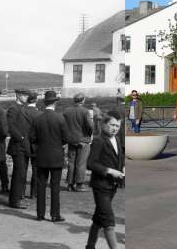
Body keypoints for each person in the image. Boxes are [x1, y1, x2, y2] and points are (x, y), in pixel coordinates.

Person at [30, 90, 73, 222]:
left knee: (41, 185)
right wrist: (58, 143)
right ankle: (55, 215)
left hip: (41, 155)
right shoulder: (60, 118)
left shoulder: (37, 118)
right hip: (56, 156)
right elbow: (66, 138)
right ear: (55, 102)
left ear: (44, 103)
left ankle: (40, 214)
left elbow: (32, 138)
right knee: (55, 186)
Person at [85, 111, 125, 249]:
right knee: (108, 221)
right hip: (100, 185)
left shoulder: (117, 139)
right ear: (104, 125)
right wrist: (110, 171)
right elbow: (90, 163)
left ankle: (90, 246)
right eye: (112, 125)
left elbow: (119, 158)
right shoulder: (98, 140)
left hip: (112, 186)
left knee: (99, 218)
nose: (115, 128)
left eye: (118, 126)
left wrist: (122, 167)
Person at [6, 88, 32, 209]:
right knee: (19, 174)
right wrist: (21, 138)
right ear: (18, 95)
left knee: (22, 173)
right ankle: (14, 200)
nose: (26, 97)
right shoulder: (13, 108)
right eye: (24, 95)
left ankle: (19, 197)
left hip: (24, 145)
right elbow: (10, 126)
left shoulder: (23, 108)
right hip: (18, 145)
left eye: (27, 95)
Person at [63, 93, 93, 192]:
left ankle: (70, 184)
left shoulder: (67, 111)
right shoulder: (85, 111)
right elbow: (90, 126)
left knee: (71, 162)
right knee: (81, 163)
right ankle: (79, 184)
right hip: (83, 139)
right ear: (83, 100)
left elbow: (63, 125)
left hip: (71, 140)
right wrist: (89, 134)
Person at [24, 92, 41, 199]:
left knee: (22, 170)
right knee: (36, 170)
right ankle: (34, 193)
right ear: (36, 100)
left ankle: (20, 192)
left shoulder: (22, 111)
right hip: (35, 145)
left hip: (23, 143)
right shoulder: (39, 114)